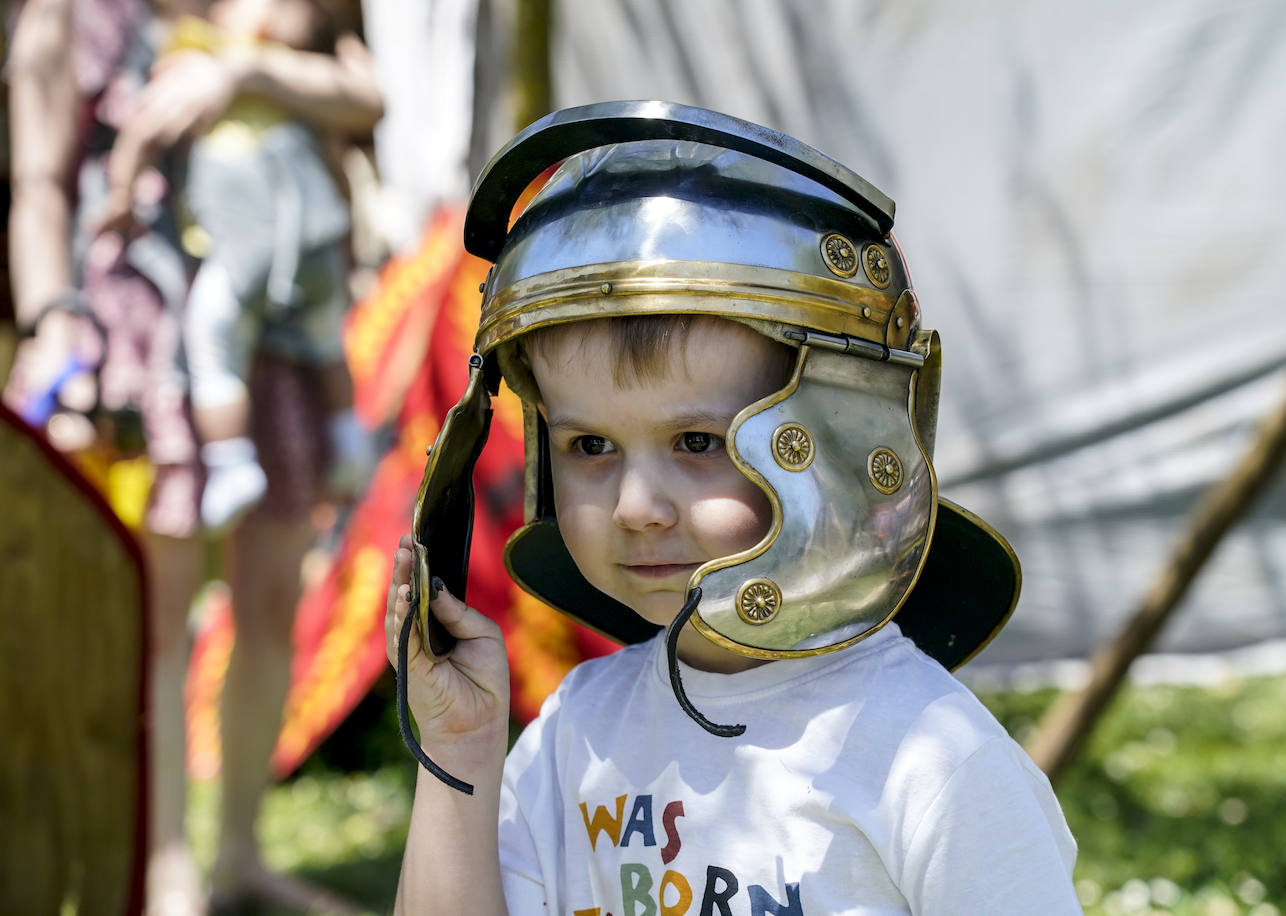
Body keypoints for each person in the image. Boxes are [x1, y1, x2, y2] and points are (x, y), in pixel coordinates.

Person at [385, 101, 1081, 913]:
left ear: (844, 442)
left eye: (697, 442)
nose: (637, 507)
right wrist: (463, 752)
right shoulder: (575, 735)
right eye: (592, 447)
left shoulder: (926, 757)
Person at [5, 1, 382, 912]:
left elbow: (368, 99)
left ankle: (239, 858)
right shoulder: (74, 13)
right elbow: (39, 184)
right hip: (151, 331)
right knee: (156, 617)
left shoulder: (285, 9)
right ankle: (164, 862)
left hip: (281, 341)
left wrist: (242, 73)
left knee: (268, 599)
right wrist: (52, 324)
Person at [98, 0, 373, 533]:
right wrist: (349, 243)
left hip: (247, 244)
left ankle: (229, 462)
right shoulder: (294, 81)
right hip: (315, 238)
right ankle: (350, 438)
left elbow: (142, 127)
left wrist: (121, 190)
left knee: (213, 339)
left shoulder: (207, 56)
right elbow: (336, 160)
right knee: (326, 342)